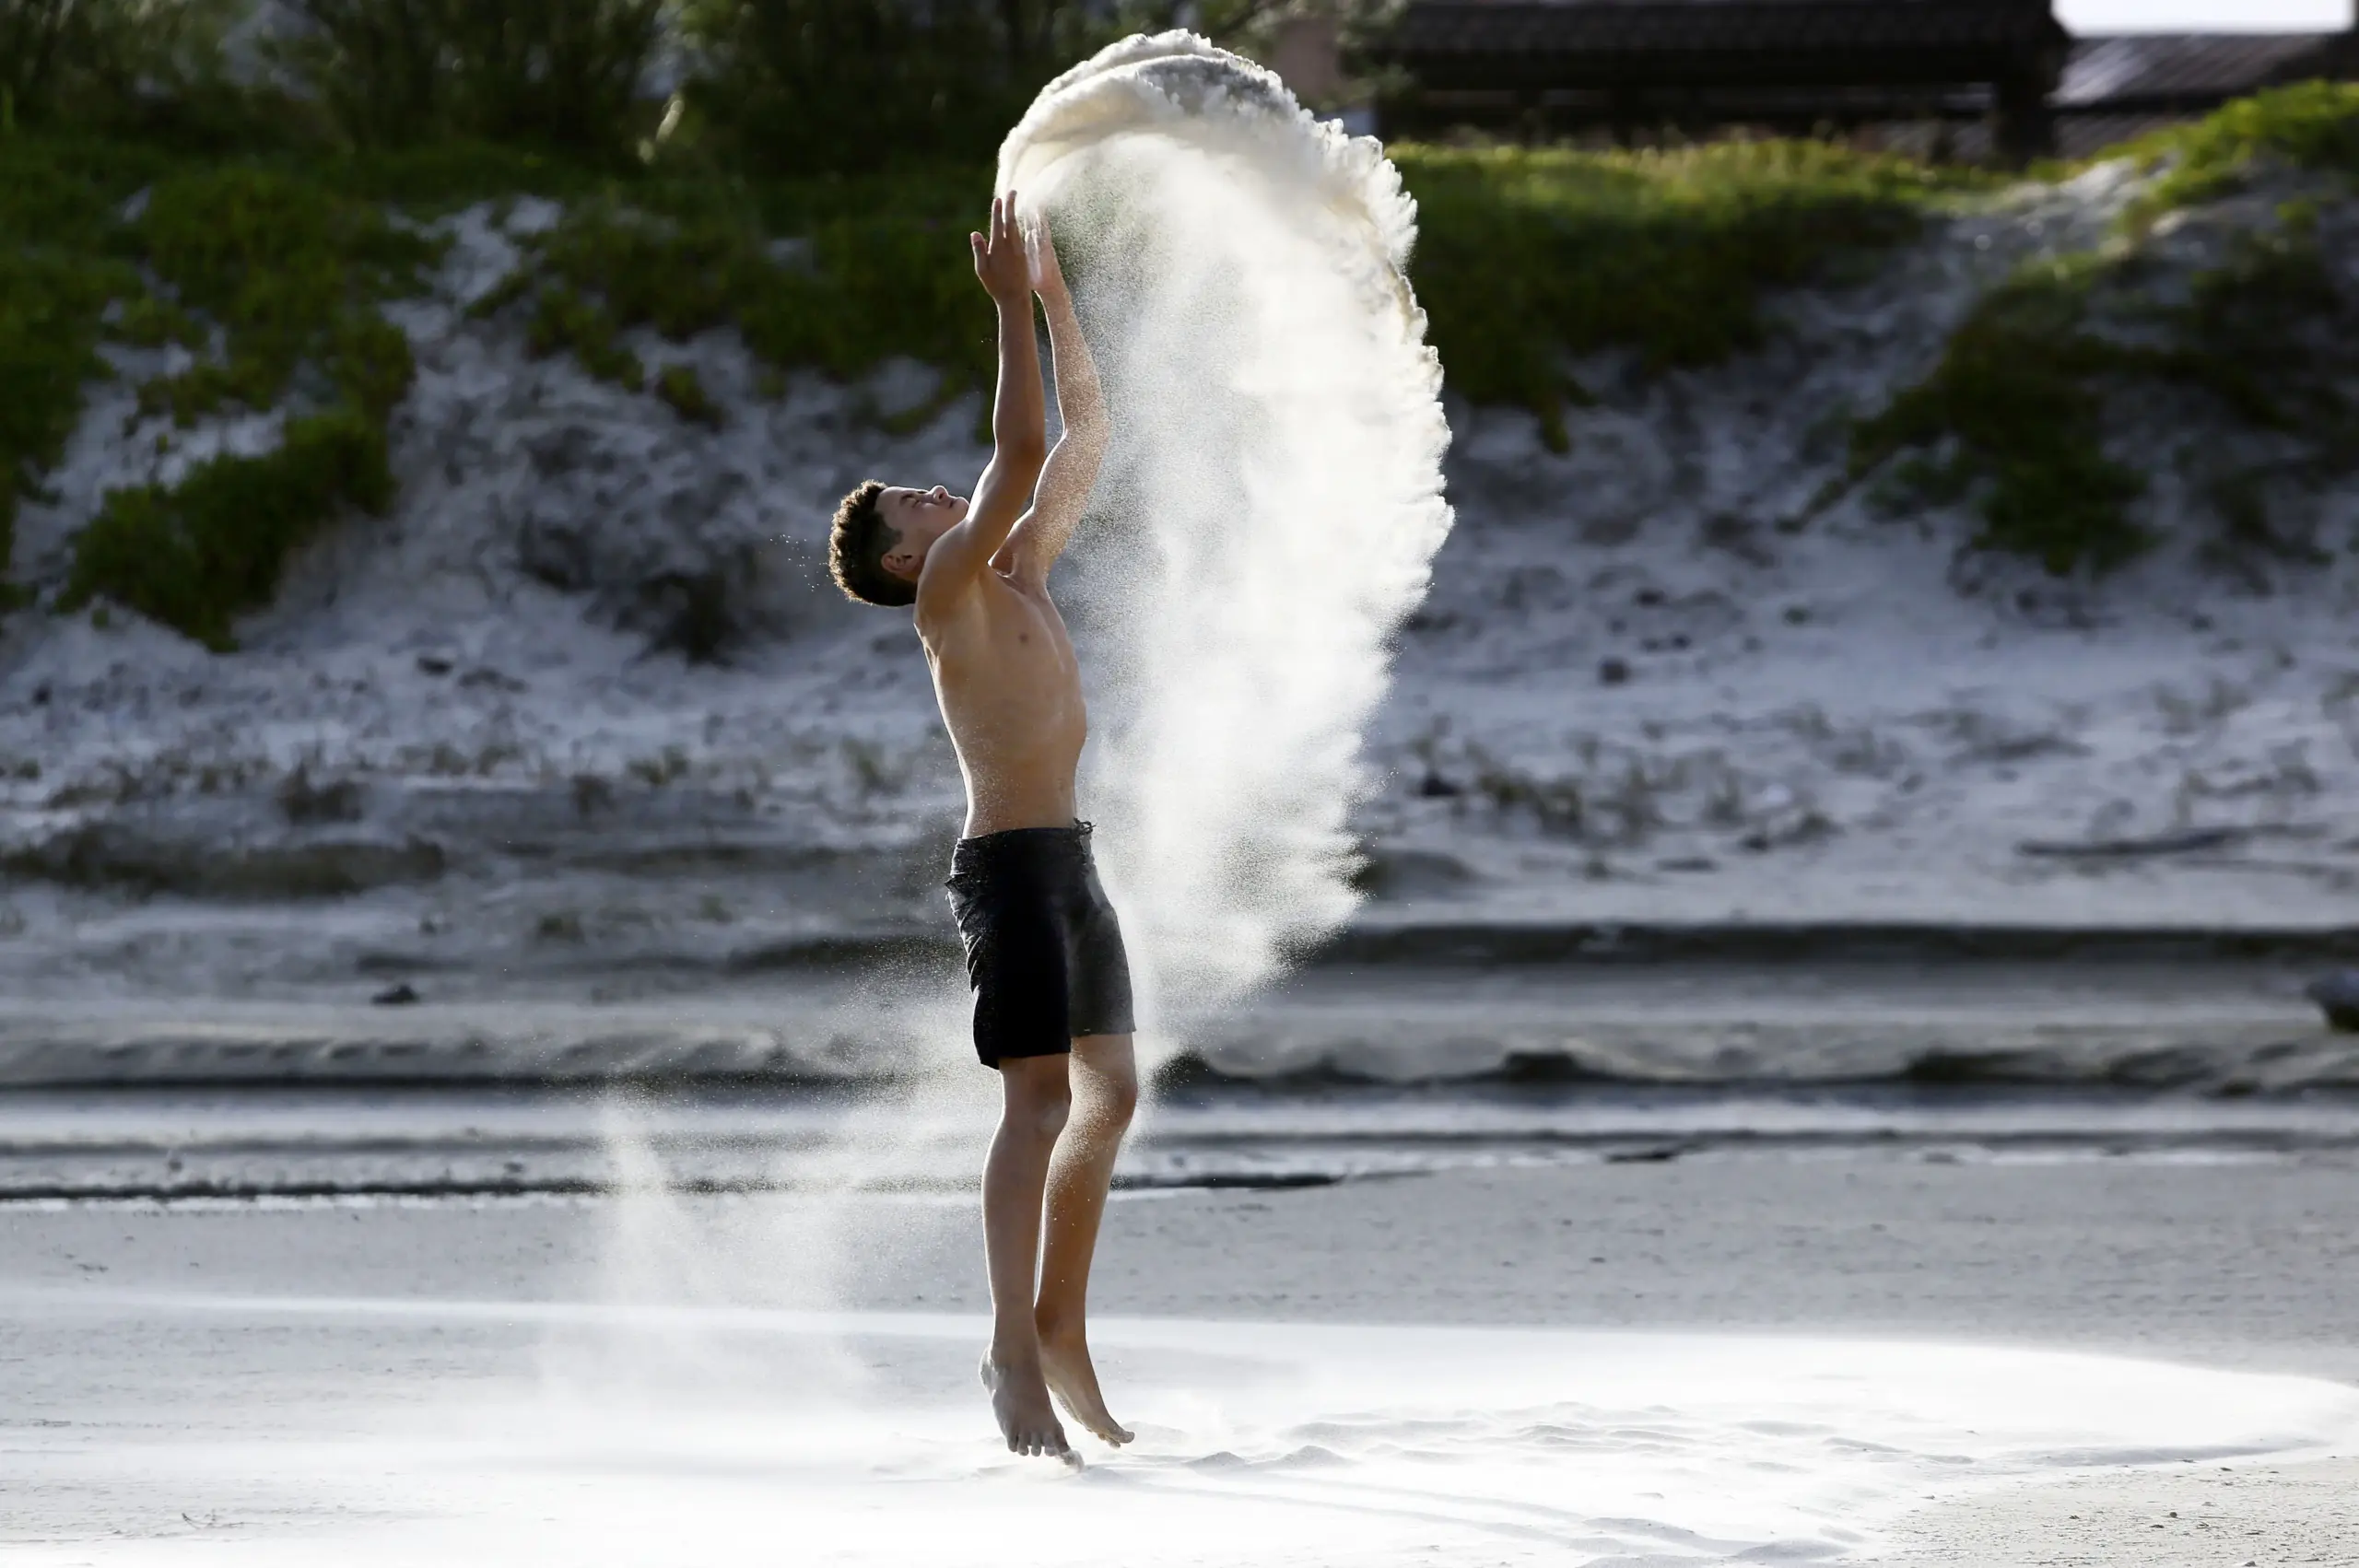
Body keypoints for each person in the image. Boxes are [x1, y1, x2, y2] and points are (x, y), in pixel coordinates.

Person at [826, 195, 1132, 1461]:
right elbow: (1014, 451)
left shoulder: (1020, 573)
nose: (935, 490)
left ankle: (1061, 1318)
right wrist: (1002, 303)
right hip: (1007, 872)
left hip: (1072, 858)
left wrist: (1055, 296)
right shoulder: (951, 590)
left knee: (1109, 1090)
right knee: (1039, 1101)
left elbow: (1084, 438)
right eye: (912, 500)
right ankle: (1009, 1346)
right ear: (904, 560)